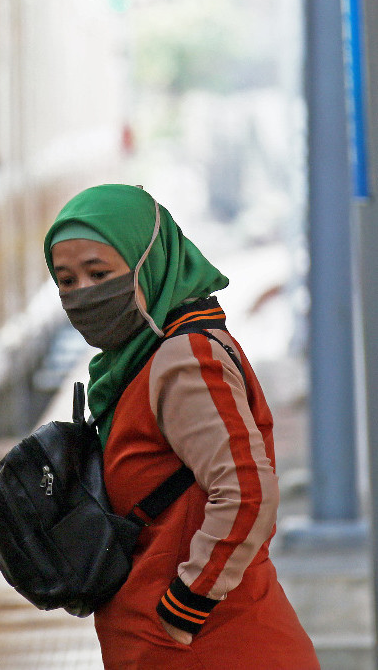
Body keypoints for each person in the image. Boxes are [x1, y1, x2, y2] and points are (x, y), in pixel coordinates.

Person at [43, 183, 319, 670]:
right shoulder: (140, 359)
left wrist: (181, 608)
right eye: (66, 280)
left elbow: (247, 492)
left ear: (148, 263)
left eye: (99, 273)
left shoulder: (184, 361)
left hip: (217, 647)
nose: (82, 294)